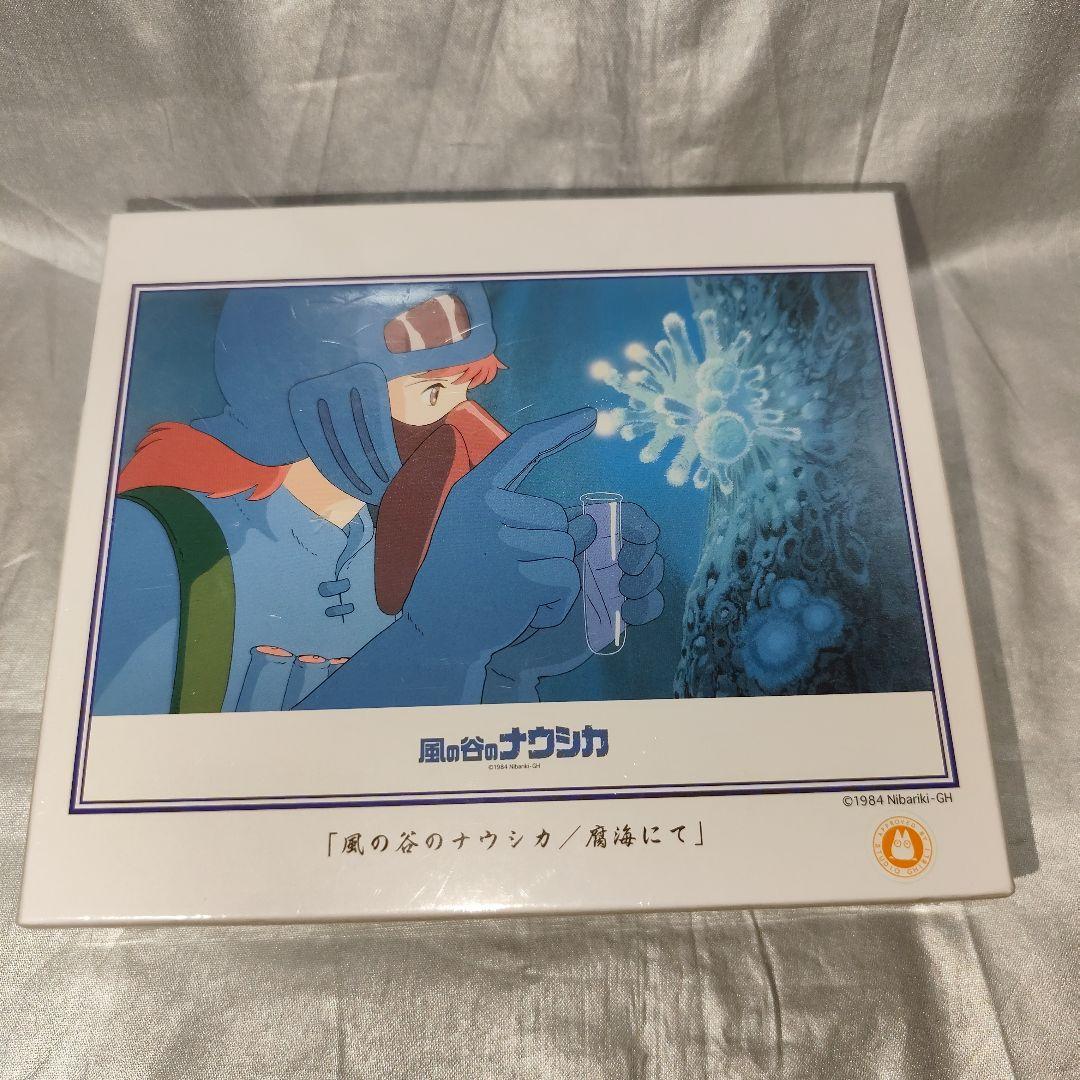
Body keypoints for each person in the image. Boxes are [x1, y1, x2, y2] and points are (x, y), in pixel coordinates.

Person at [92, 282, 664, 714]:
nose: (467, 426)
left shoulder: (402, 557)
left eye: (466, 391)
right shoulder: (154, 545)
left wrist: (507, 662)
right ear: (326, 398)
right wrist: (438, 644)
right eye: (432, 391)